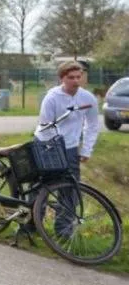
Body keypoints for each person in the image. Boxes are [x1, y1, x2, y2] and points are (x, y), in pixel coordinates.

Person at [34, 60, 100, 238]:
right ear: (62, 78)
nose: (76, 81)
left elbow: (93, 125)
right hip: (47, 144)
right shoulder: (52, 97)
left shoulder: (88, 98)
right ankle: (31, 226)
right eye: (71, 77)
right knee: (41, 186)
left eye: (79, 77)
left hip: (70, 147)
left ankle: (63, 232)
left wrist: (86, 150)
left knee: (70, 189)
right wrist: (53, 150)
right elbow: (45, 125)